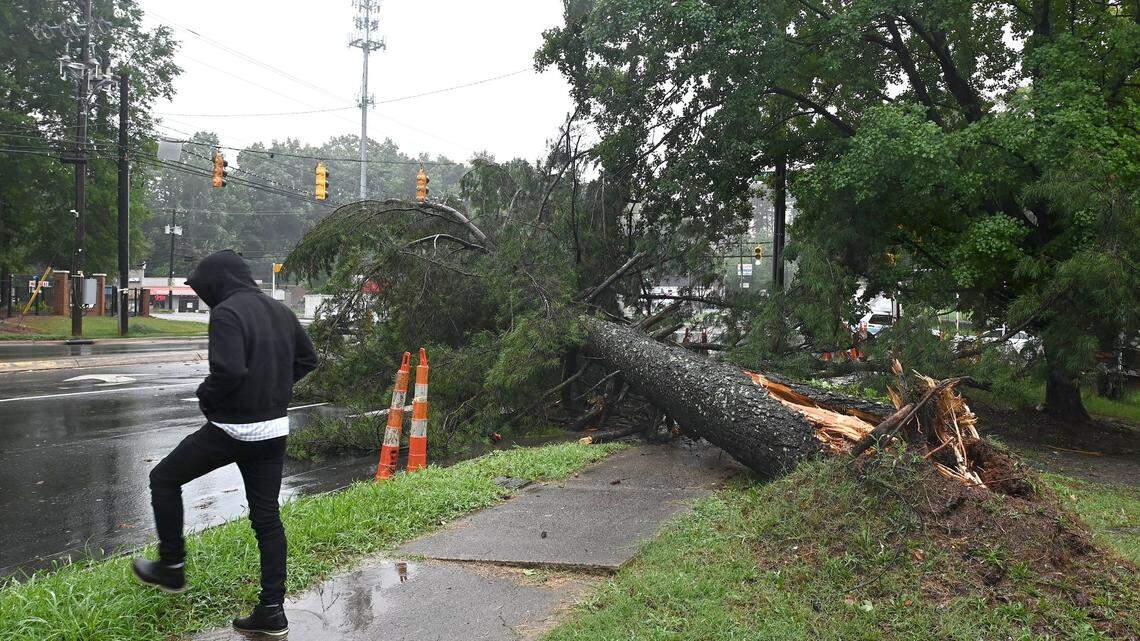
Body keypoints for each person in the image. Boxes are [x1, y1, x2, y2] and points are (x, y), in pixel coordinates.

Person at [132, 250, 317, 637]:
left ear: (218, 282)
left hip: (232, 429)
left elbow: (230, 370)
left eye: (204, 291)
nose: (204, 298)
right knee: (267, 520)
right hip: (273, 430)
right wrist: (275, 389)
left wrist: (208, 396)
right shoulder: (280, 311)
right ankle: (272, 611)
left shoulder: (228, 313)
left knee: (164, 479)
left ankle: (171, 567)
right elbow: (307, 359)